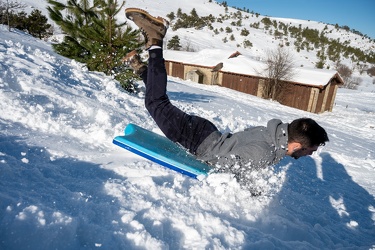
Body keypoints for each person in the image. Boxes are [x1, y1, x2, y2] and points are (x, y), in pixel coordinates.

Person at [123, 8, 329, 186]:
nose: (309, 155)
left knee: (159, 104)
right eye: (310, 150)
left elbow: (242, 159)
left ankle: (141, 68)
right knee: (156, 102)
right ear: (297, 145)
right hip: (197, 140)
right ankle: (156, 40)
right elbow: (224, 167)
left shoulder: (273, 135)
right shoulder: (266, 151)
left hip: (205, 133)